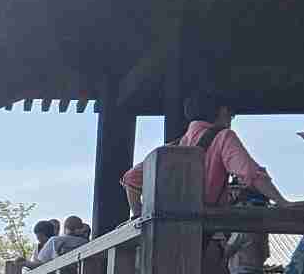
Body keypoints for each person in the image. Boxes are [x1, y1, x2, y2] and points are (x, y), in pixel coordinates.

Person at [120, 91, 289, 217]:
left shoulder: (175, 146)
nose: (230, 120)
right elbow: (250, 173)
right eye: (231, 115)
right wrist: (282, 203)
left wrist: (139, 216)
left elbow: (130, 178)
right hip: (205, 236)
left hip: (167, 238)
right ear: (223, 111)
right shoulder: (224, 136)